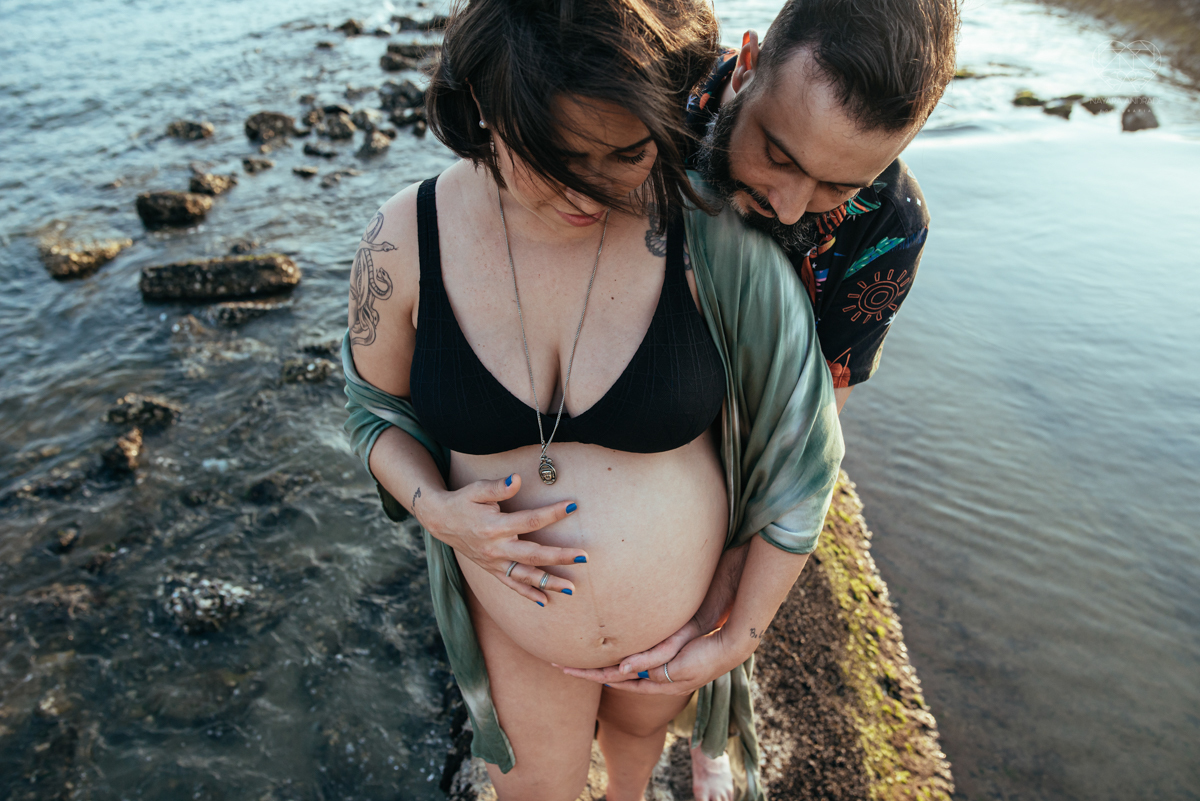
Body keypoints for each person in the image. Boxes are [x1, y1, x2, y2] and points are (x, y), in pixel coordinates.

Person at [340, 0, 842, 798]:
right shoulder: (404, 241)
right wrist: (432, 505)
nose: (590, 187)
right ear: (483, 106)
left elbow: (803, 453)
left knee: (636, 764)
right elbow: (371, 409)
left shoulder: (710, 237)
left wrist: (734, 638)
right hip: (518, 634)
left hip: (679, 629)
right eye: (556, 155)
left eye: (627, 151)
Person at [557, 1, 961, 796]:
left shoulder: (892, 224)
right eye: (775, 152)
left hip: (748, 424)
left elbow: (813, 426)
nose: (785, 203)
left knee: (725, 597)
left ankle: (712, 714)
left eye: (834, 185)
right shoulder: (651, 105)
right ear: (745, 63)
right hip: (621, 378)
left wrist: (741, 589)